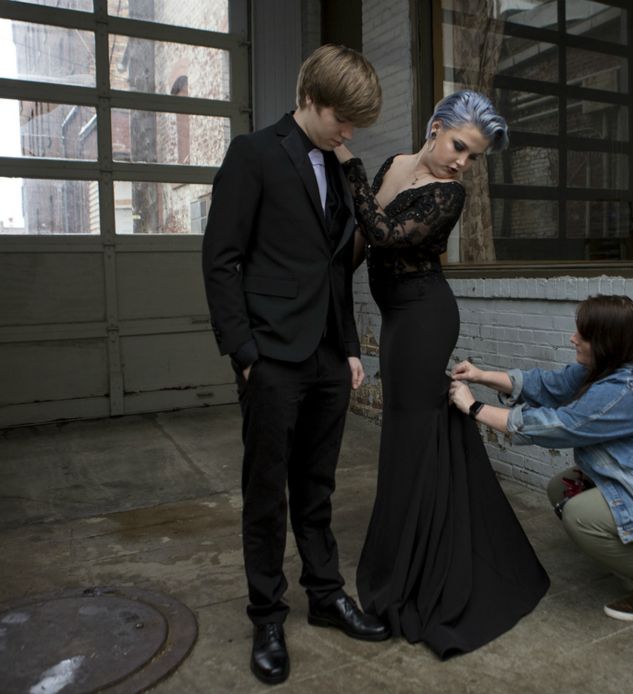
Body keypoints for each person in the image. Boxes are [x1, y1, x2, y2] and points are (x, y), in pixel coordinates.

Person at [334, 90, 550, 659]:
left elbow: (382, 233)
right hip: (399, 319)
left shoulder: (448, 195)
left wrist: (349, 167)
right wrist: (323, 287)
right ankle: (442, 542)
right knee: (420, 433)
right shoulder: (396, 166)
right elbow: (360, 243)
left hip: (424, 317)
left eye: (473, 156)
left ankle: (414, 568)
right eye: (459, 146)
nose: (462, 163)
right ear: (435, 127)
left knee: (409, 434)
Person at [201, 44, 388, 686]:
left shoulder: (337, 165)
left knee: (318, 485)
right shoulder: (253, 154)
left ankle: (326, 594)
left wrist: (351, 348)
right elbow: (220, 259)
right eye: (344, 118)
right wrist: (244, 354)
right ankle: (267, 615)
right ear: (310, 99)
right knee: (265, 492)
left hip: (328, 358)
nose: (351, 132)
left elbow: (335, 266)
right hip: (272, 358)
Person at [448, 294, 633, 622]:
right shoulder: (608, 369)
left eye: (582, 335)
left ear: (605, 342)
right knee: (563, 488)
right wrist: (481, 374)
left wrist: (474, 408)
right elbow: (547, 385)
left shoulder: (626, 390)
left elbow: (557, 426)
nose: (573, 338)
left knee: (580, 515)